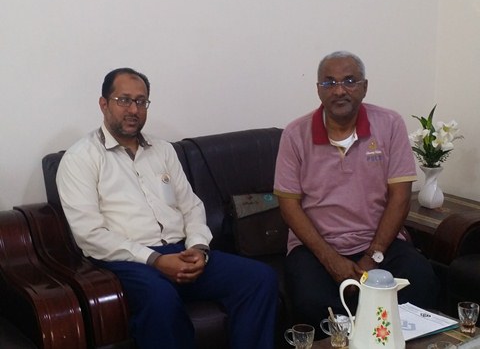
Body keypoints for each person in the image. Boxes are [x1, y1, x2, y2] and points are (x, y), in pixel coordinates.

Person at [57, 67, 278, 349]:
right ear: (104, 104)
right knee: (159, 298)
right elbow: (89, 234)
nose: (133, 109)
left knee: (259, 278)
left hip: (182, 250)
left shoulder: (163, 150)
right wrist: (155, 260)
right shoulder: (80, 158)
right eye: (124, 100)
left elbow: (191, 206)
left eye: (141, 101)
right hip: (129, 262)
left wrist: (198, 248)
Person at [273, 51, 439, 333]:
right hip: (316, 248)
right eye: (329, 83)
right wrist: (331, 260)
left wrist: (372, 257)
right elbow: (289, 207)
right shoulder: (295, 133)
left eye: (350, 81)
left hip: (380, 244)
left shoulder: (389, 124)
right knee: (312, 302)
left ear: (364, 87)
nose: (339, 90)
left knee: (421, 280)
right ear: (318, 90)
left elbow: (400, 198)